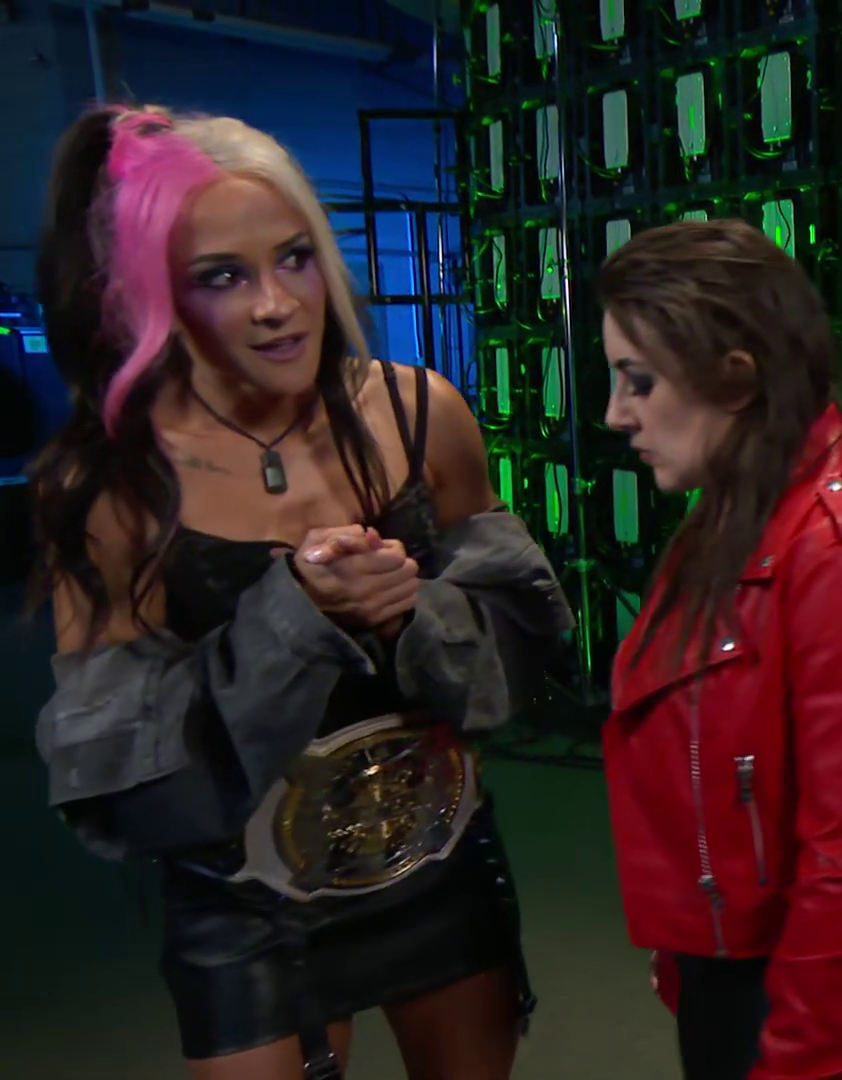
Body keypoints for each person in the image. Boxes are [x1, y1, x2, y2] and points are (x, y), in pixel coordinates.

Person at [29, 104, 574, 1080]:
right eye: (222, 277)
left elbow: (528, 645)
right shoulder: (110, 484)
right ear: (154, 295)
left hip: (435, 858)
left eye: (295, 258)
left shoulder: (419, 414)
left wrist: (412, 609)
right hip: (244, 900)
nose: (277, 305)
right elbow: (128, 780)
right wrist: (295, 617)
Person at [598, 219, 842, 1080]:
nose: (615, 414)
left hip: (821, 1003)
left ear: (736, 376)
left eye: (639, 380)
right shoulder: (725, 523)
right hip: (739, 977)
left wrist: (797, 1056)